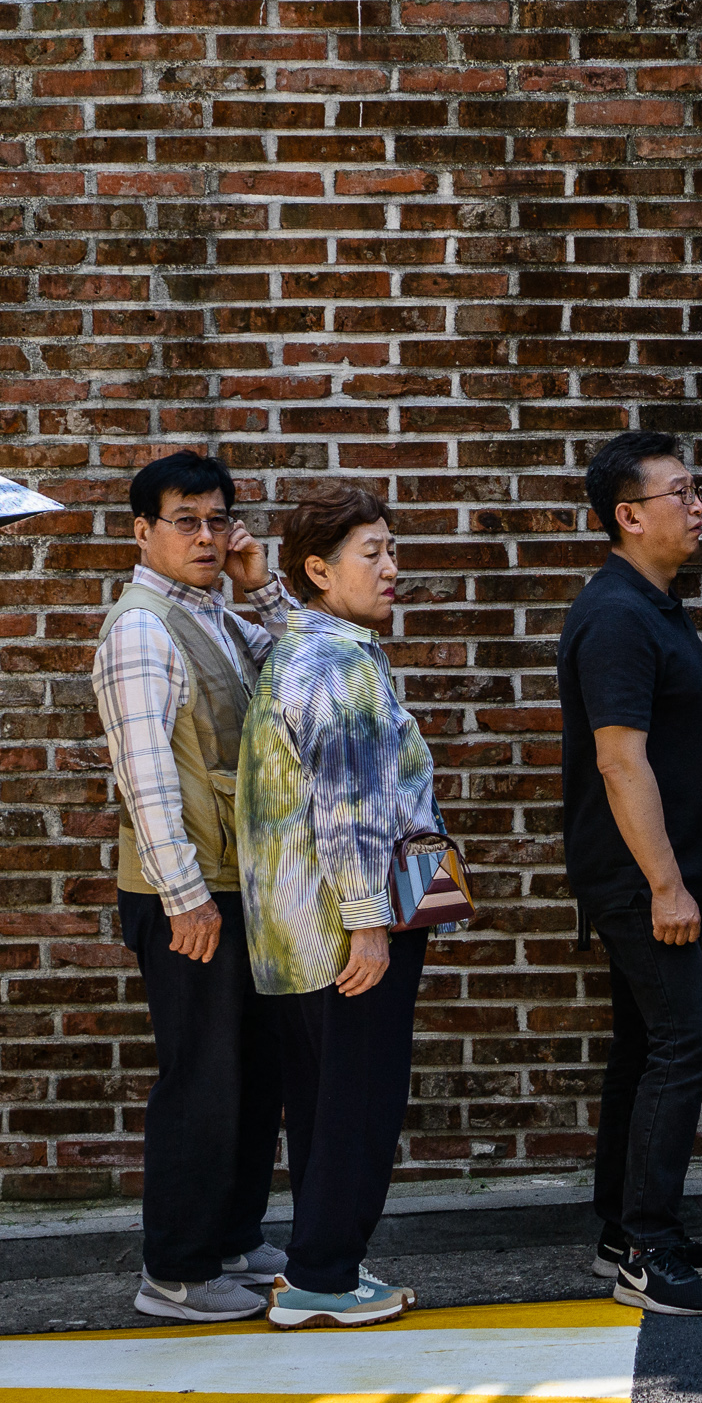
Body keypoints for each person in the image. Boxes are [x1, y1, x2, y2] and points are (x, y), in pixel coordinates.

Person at [241, 484, 452, 1328]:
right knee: (359, 1104)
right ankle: (326, 1276)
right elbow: (350, 809)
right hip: (347, 929)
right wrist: (370, 927)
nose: (391, 567)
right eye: (373, 553)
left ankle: (318, 1267)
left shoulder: (296, 651)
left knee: (321, 1103)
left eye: (391, 549)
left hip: (290, 932)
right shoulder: (341, 666)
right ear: (320, 570)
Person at [93, 449, 297, 1323]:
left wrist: (263, 586)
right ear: (144, 533)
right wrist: (185, 900)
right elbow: (146, 780)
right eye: (188, 521)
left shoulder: (215, 612)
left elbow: (307, 664)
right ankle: (175, 1270)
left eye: (219, 519)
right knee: (202, 1081)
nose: (208, 536)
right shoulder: (142, 628)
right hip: (188, 895)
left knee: (252, 1074)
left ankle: (231, 1238)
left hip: (232, 884)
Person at [561, 429, 702, 1319]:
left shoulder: (652, 605)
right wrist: (667, 884)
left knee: (644, 1046)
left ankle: (618, 1231)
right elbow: (620, 762)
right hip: (640, 879)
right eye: (682, 493)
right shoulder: (617, 617)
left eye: (697, 489)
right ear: (629, 515)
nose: (699, 504)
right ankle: (647, 1247)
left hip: (655, 876)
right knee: (687, 1039)